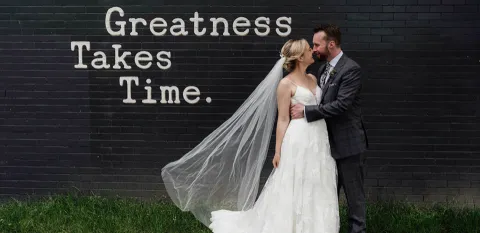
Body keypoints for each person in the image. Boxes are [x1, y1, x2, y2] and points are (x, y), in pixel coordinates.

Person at [161, 38, 340, 233]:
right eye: (308, 49)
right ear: (299, 57)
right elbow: (282, 119)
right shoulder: (285, 84)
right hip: (299, 138)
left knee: (316, 180)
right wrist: (278, 151)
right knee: (295, 181)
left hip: (319, 138)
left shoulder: (313, 79)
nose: (312, 51)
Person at [290, 24, 368, 233]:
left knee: (354, 198)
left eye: (316, 44)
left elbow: (342, 105)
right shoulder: (323, 69)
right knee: (326, 197)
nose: (313, 49)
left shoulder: (351, 69)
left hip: (348, 145)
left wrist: (307, 111)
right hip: (324, 146)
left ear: (331, 44)